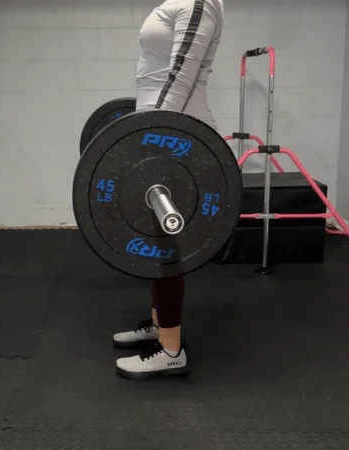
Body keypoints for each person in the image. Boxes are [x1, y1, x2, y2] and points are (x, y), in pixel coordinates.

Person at [113, 0, 224, 380]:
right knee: (153, 237)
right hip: (159, 131)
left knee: (166, 245)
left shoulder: (198, 2)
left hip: (177, 138)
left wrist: (157, 136)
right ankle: (162, 326)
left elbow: (180, 75)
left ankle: (171, 350)